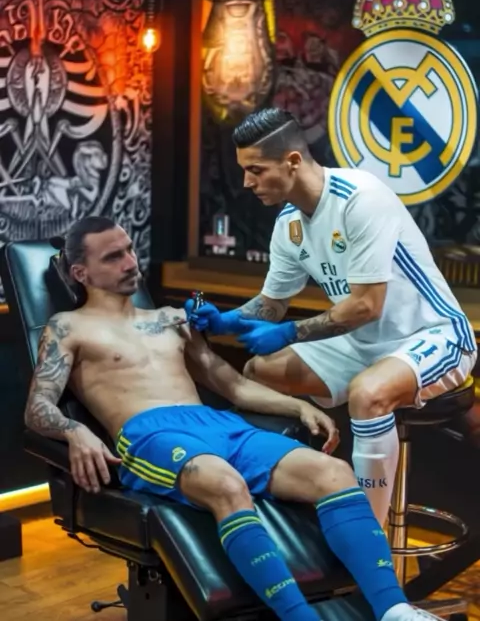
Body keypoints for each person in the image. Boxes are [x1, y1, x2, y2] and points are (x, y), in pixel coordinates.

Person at [24, 215, 441, 621]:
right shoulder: (68, 328)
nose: (131, 262)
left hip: (218, 425)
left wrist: (298, 406)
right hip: (150, 435)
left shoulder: (172, 319)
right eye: (113, 257)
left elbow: (235, 387)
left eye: (130, 250)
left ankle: (395, 609)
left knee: (334, 473)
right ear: (81, 273)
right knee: (226, 484)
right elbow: (37, 407)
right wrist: (75, 430)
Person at [186, 107, 477, 527]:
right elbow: (272, 304)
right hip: (362, 343)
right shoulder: (289, 223)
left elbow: (366, 305)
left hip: (434, 335)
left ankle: (369, 541)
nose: (247, 182)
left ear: (292, 161)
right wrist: (225, 320)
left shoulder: (360, 198)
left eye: (255, 170)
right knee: (258, 372)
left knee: (367, 394)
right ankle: (285, 509)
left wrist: (290, 332)